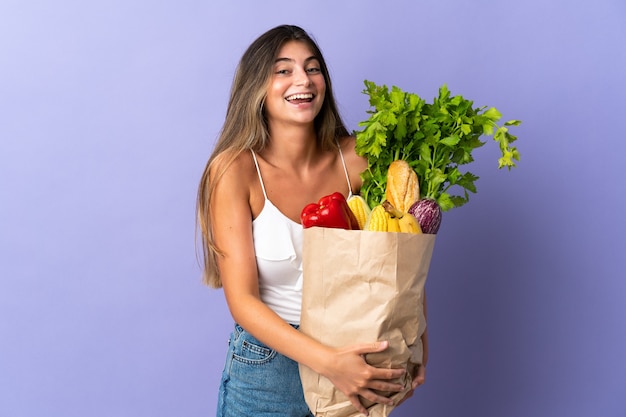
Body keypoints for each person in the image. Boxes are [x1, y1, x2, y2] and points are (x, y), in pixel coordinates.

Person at [197, 24, 427, 417]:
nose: (302, 79)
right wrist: (330, 363)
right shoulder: (234, 170)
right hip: (269, 374)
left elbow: (400, 258)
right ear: (257, 87)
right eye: (283, 70)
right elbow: (243, 301)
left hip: (359, 358)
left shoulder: (359, 158)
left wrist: (416, 337)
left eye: (313, 67)